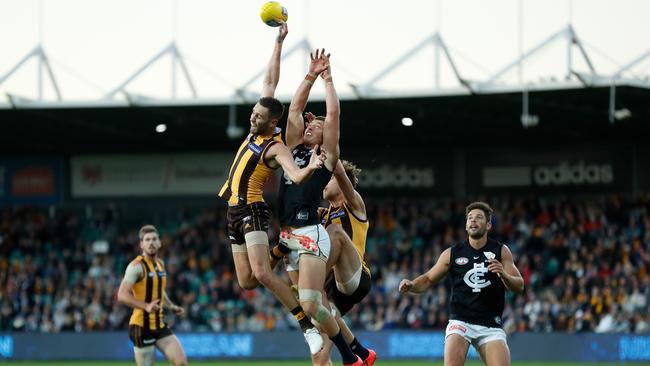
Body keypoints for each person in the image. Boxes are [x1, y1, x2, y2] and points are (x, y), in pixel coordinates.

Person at [217, 22, 325, 354]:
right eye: (253, 113)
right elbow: (270, 81)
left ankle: (305, 326)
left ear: (271, 122)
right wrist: (278, 42)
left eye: (258, 116)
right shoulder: (255, 131)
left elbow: (295, 171)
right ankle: (283, 245)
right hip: (233, 210)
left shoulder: (276, 146)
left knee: (263, 274)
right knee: (247, 281)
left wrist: (311, 167)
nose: (252, 117)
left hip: (253, 210)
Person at [275, 49, 362, 366]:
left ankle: (350, 354)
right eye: (312, 124)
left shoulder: (326, 157)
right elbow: (295, 109)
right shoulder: (294, 149)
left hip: (310, 231)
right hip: (288, 236)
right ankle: (357, 354)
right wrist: (310, 74)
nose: (312, 125)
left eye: (318, 125)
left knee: (312, 303)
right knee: (310, 309)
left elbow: (334, 115)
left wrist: (327, 79)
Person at [399, 202, 524, 366]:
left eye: (479, 218)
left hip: (491, 324)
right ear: (466, 225)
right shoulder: (452, 253)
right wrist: (412, 285)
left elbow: (520, 286)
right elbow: (428, 279)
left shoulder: (501, 251)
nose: (473, 221)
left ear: (488, 225)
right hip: (461, 321)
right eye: (470, 218)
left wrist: (504, 274)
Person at [312, 159, 376, 366]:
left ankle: (311, 281)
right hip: (333, 286)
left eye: (328, 179)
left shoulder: (354, 204)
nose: (324, 184)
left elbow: (339, 171)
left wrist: (325, 143)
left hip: (356, 276)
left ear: (341, 182)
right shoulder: (323, 214)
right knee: (319, 354)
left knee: (336, 233)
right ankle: (362, 353)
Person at [117, 225, 188, 366]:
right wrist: (146, 306)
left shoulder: (160, 264)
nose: (151, 243)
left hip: (160, 325)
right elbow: (122, 295)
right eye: (147, 240)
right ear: (141, 244)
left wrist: (171, 306)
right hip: (141, 327)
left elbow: (159, 290)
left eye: (154, 239)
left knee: (181, 363)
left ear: (160, 243)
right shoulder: (136, 266)